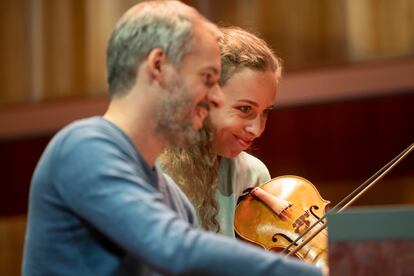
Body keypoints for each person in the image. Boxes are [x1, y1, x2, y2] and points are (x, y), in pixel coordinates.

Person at [22, 1, 323, 275]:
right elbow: (175, 248)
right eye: (207, 79)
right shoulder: (84, 147)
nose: (216, 98)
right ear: (159, 67)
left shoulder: (173, 197)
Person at [159, 26, 292, 237]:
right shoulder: (149, 168)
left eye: (265, 112)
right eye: (245, 109)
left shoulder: (253, 175)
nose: (257, 130)